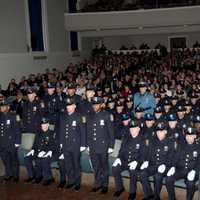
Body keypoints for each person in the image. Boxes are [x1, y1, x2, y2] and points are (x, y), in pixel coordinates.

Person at [139, 122, 176, 200]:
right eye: (158, 131)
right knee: (142, 173)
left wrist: (165, 165)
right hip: (153, 165)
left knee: (158, 176)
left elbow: (172, 157)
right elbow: (149, 153)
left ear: (165, 131)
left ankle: (156, 197)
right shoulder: (152, 140)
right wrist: (146, 161)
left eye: (161, 131)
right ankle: (149, 194)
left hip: (164, 167)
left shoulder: (170, 142)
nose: (159, 133)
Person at [87, 96, 115, 194]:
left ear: (101, 105)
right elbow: (89, 131)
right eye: (93, 104)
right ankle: (97, 184)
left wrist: (111, 146)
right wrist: (87, 144)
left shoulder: (107, 115)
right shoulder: (89, 115)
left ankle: (105, 185)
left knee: (104, 167)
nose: (95, 106)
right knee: (96, 167)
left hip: (103, 146)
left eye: (97, 104)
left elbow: (111, 132)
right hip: (93, 146)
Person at [112, 120, 147, 200]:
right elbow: (121, 151)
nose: (132, 130)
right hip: (125, 161)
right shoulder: (126, 138)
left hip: (136, 163)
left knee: (133, 170)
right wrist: (118, 158)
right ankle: (119, 188)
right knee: (115, 168)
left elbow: (143, 155)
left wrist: (137, 162)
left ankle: (132, 192)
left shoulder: (142, 139)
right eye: (131, 128)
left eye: (134, 128)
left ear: (138, 129)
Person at [59, 98, 86, 190]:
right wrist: (61, 143)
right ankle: (70, 181)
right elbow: (62, 131)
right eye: (67, 106)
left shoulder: (79, 116)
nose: (68, 107)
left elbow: (83, 132)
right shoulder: (63, 116)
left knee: (76, 164)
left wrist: (83, 145)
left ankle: (77, 183)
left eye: (70, 105)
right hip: (66, 145)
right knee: (68, 164)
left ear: (74, 106)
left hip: (76, 145)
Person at [165, 127, 200, 200]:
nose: (189, 138)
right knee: (168, 179)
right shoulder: (181, 145)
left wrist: (194, 170)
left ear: (195, 136)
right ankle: (172, 198)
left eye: (191, 136)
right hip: (180, 170)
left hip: (192, 171)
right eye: (187, 136)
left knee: (190, 183)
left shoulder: (198, 147)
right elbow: (175, 157)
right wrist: (173, 167)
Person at [24, 118, 58, 186]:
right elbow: (35, 144)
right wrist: (32, 150)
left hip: (49, 152)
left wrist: (45, 152)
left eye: (46, 124)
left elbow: (53, 146)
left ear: (48, 125)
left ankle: (47, 178)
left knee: (42, 159)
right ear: (41, 125)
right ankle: (32, 176)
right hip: (38, 151)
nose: (44, 126)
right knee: (27, 158)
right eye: (43, 124)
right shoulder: (38, 132)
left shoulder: (52, 133)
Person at [0, 100, 21, 182]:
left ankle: (16, 176)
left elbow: (18, 130)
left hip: (11, 142)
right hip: (2, 143)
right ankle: (9, 174)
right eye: (1, 106)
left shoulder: (14, 116)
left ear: (8, 107)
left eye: (3, 106)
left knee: (14, 160)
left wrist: (17, 142)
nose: (1, 108)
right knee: (5, 160)